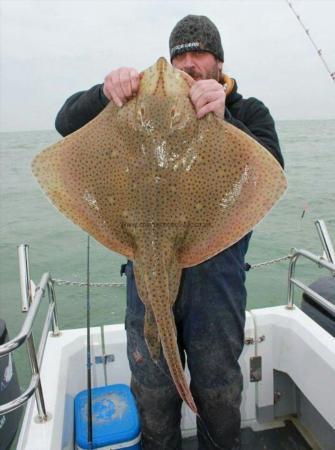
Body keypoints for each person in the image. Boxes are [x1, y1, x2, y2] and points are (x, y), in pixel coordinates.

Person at [55, 14, 284, 450]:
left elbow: (272, 172)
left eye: (199, 53)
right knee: (154, 392)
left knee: (217, 390)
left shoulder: (246, 111)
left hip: (217, 283)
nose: (187, 63)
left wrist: (224, 119)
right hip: (145, 271)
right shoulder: (137, 106)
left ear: (219, 61)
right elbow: (67, 125)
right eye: (180, 54)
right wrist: (106, 92)